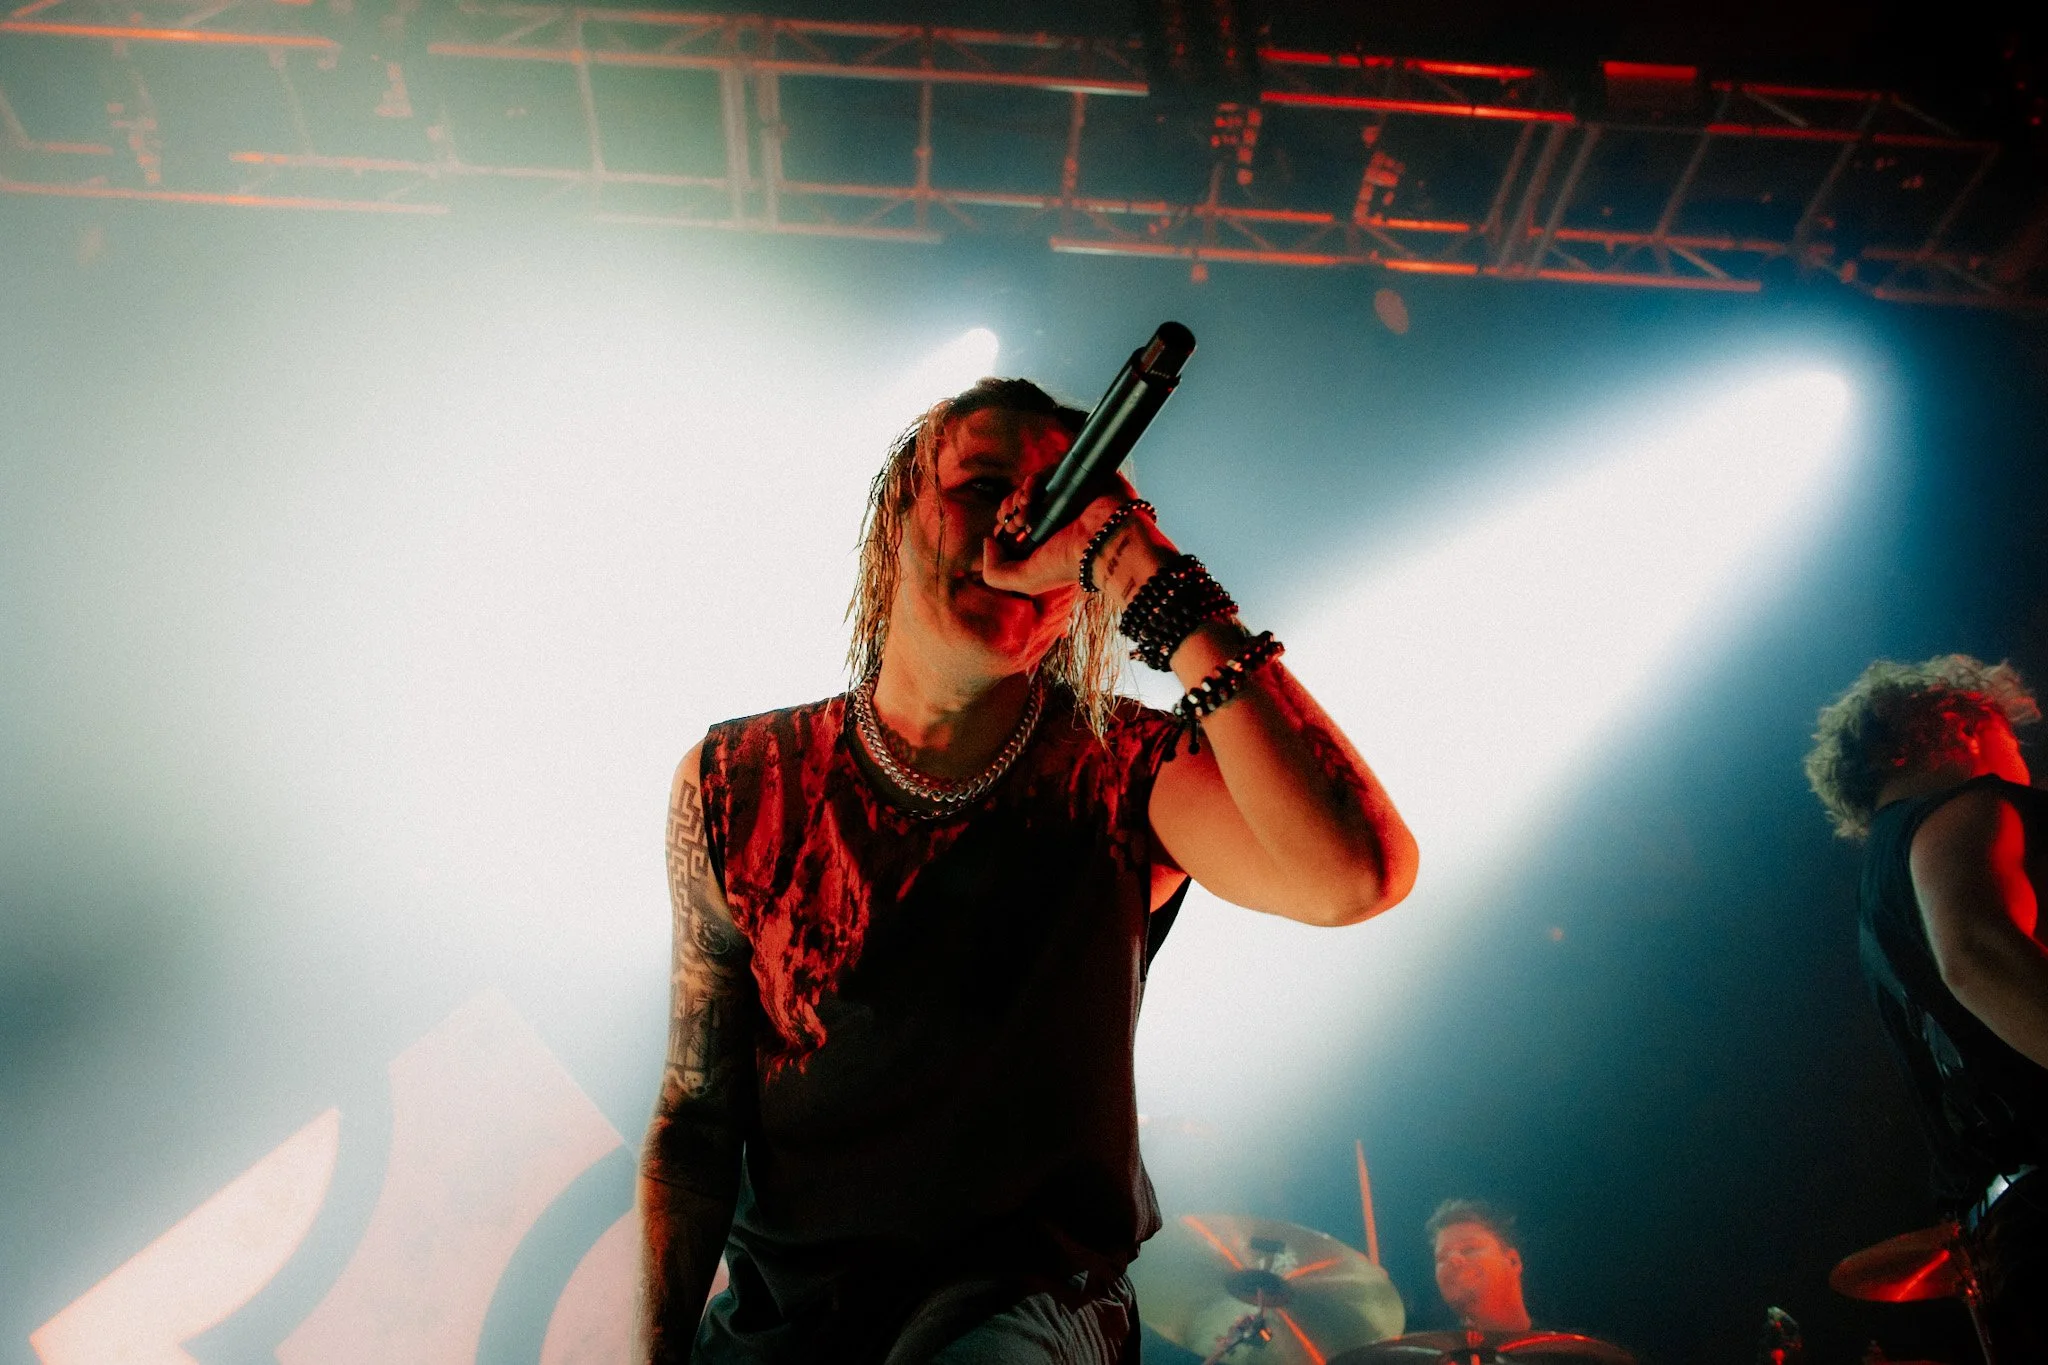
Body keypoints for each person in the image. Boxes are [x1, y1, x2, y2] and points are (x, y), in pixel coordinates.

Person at [638, 378, 1419, 1364]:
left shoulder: (1127, 769)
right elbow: (696, 1123)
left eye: (1060, 506)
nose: (1022, 526)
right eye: (981, 486)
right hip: (781, 1329)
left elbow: (1357, 873)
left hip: (1030, 1309)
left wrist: (1139, 561)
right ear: (895, 520)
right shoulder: (737, 777)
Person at [1805, 654, 2048, 1357]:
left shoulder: (1881, 885)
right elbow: (1977, 956)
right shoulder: (1966, 808)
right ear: (1963, 728)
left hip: (2003, 1238)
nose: (2021, 763)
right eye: (2011, 738)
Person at [1426, 1199, 1532, 1333]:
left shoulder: (1555, 1344)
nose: (1452, 1259)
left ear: (1513, 1261)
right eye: (1442, 1257)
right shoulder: (1424, 1345)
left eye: (1469, 1249)